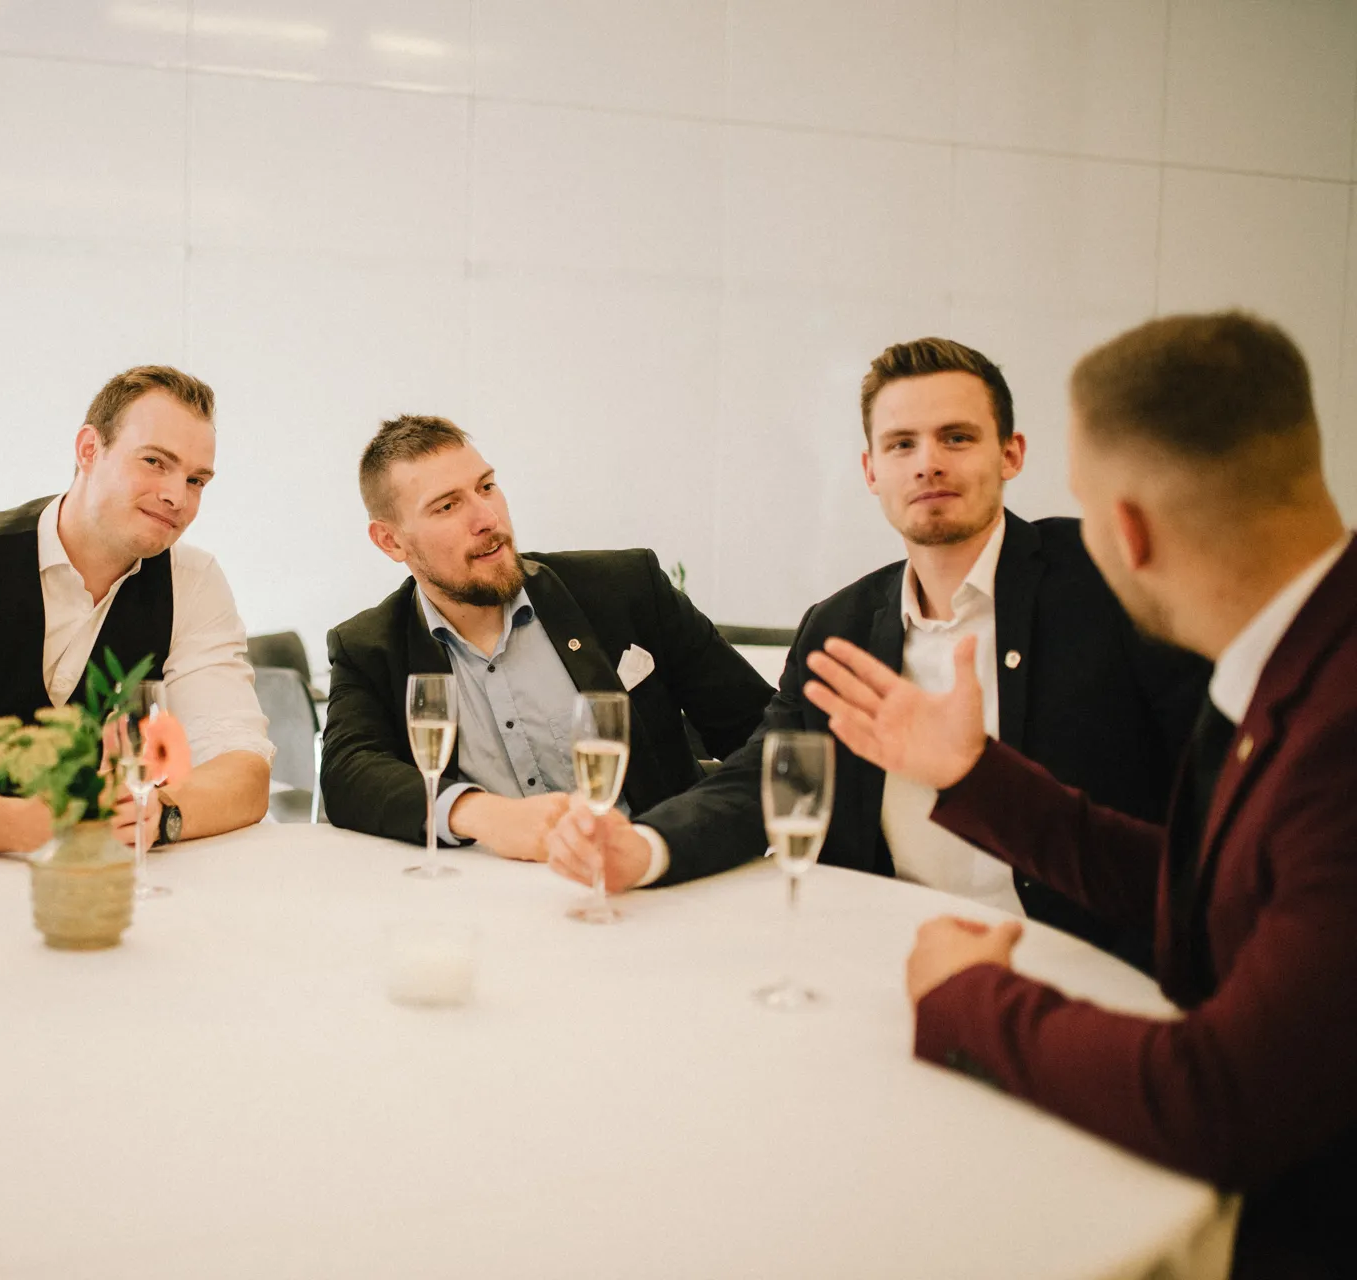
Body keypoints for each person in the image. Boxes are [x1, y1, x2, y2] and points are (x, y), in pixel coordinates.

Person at [804, 312, 1355, 1278]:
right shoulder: (1305, 659)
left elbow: (1223, 1101)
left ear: (1126, 533)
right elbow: (1198, 882)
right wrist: (974, 776)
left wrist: (967, 998)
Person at [545, 339, 1205, 962]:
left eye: (957, 437)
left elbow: (1204, 800)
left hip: (1083, 960)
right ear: (870, 470)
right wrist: (647, 848)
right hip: (883, 951)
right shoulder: (840, 626)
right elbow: (764, 779)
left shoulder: (1111, 585)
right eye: (901, 444)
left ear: (1011, 454)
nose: (927, 462)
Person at [0, 365, 271, 855]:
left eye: (196, 480)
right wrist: (52, 826)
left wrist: (162, 815)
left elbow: (243, 768)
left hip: (100, 879)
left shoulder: (194, 581)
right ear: (89, 450)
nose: (176, 496)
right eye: (155, 462)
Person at [322, 415, 773, 862]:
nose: (487, 518)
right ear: (390, 541)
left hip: (653, 880)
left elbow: (763, 733)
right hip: (488, 894)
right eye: (447, 506)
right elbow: (347, 774)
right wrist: (482, 815)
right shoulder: (370, 646)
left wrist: (681, 839)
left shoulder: (626, 590)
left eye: (486, 487)